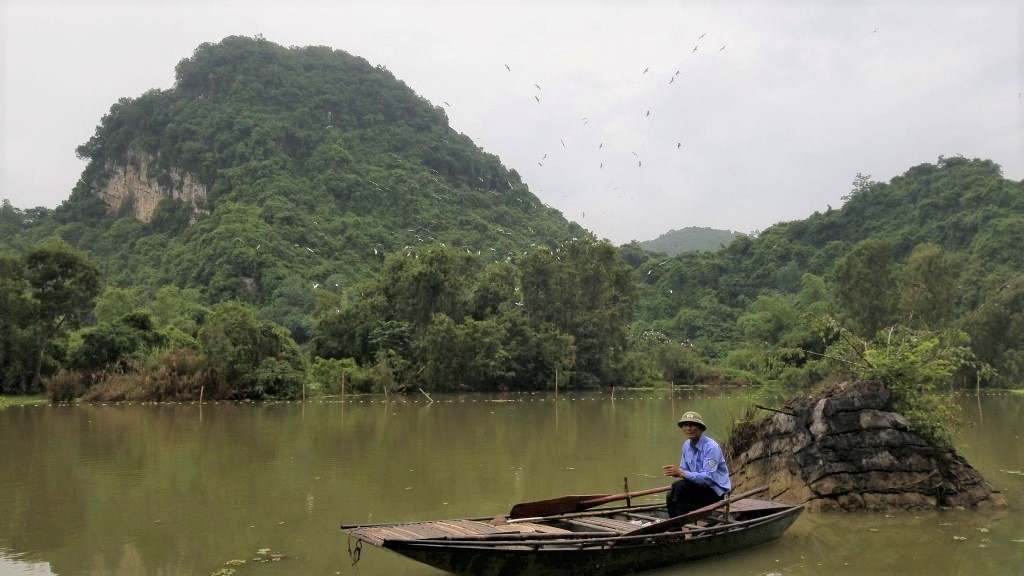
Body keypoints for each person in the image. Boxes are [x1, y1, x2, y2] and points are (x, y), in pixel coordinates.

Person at [662, 411, 732, 517]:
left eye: (692, 425)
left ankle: (680, 527)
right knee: (671, 494)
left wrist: (681, 473)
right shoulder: (686, 446)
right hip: (698, 487)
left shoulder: (711, 447)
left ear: (700, 428)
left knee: (679, 488)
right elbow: (684, 469)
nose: (688, 428)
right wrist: (678, 473)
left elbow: (708, 478)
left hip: (715, 491)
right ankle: (678, 528)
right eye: (685, 425)